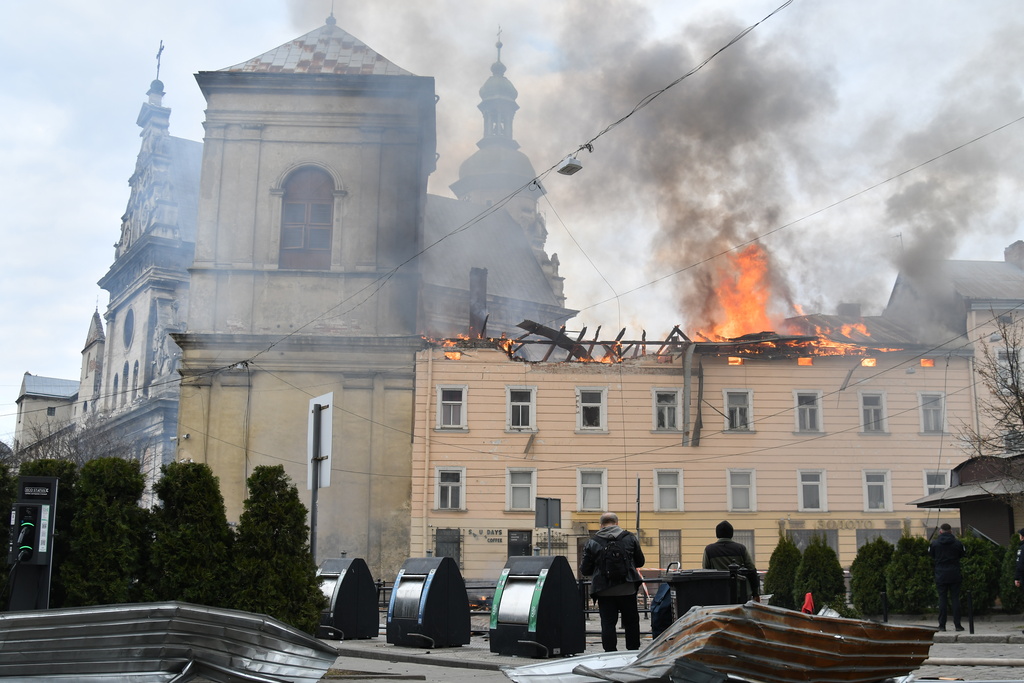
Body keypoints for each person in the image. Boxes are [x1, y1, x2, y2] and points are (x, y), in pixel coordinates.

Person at [580, 512, 646, 652]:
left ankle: (610, 652)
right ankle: (633, 650)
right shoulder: (629, 538)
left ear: (601, 525)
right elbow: (640, 561)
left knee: (608, 623)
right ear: (617, 523)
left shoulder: (593, 541)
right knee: (631, 621)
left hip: (604, 590)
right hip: (627, 587)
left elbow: (585, 569)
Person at [702, 520, 759, 602]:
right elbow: (751, 569)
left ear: (717, 534)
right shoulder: (741, 548)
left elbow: (706, 571)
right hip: (742, 592)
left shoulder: (709, 550)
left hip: (719, 593)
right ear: (731, 534)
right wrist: (755, 593)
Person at [928, 523, 966, 632]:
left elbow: (931, 555)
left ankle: (942, 625)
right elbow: (962, 554)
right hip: (954, 573)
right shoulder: (957, 543)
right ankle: (958, 625)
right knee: (955, 599)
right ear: (951, 531)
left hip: (941, 574)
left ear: (940, 531)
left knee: (942, 599)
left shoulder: (935, 543)